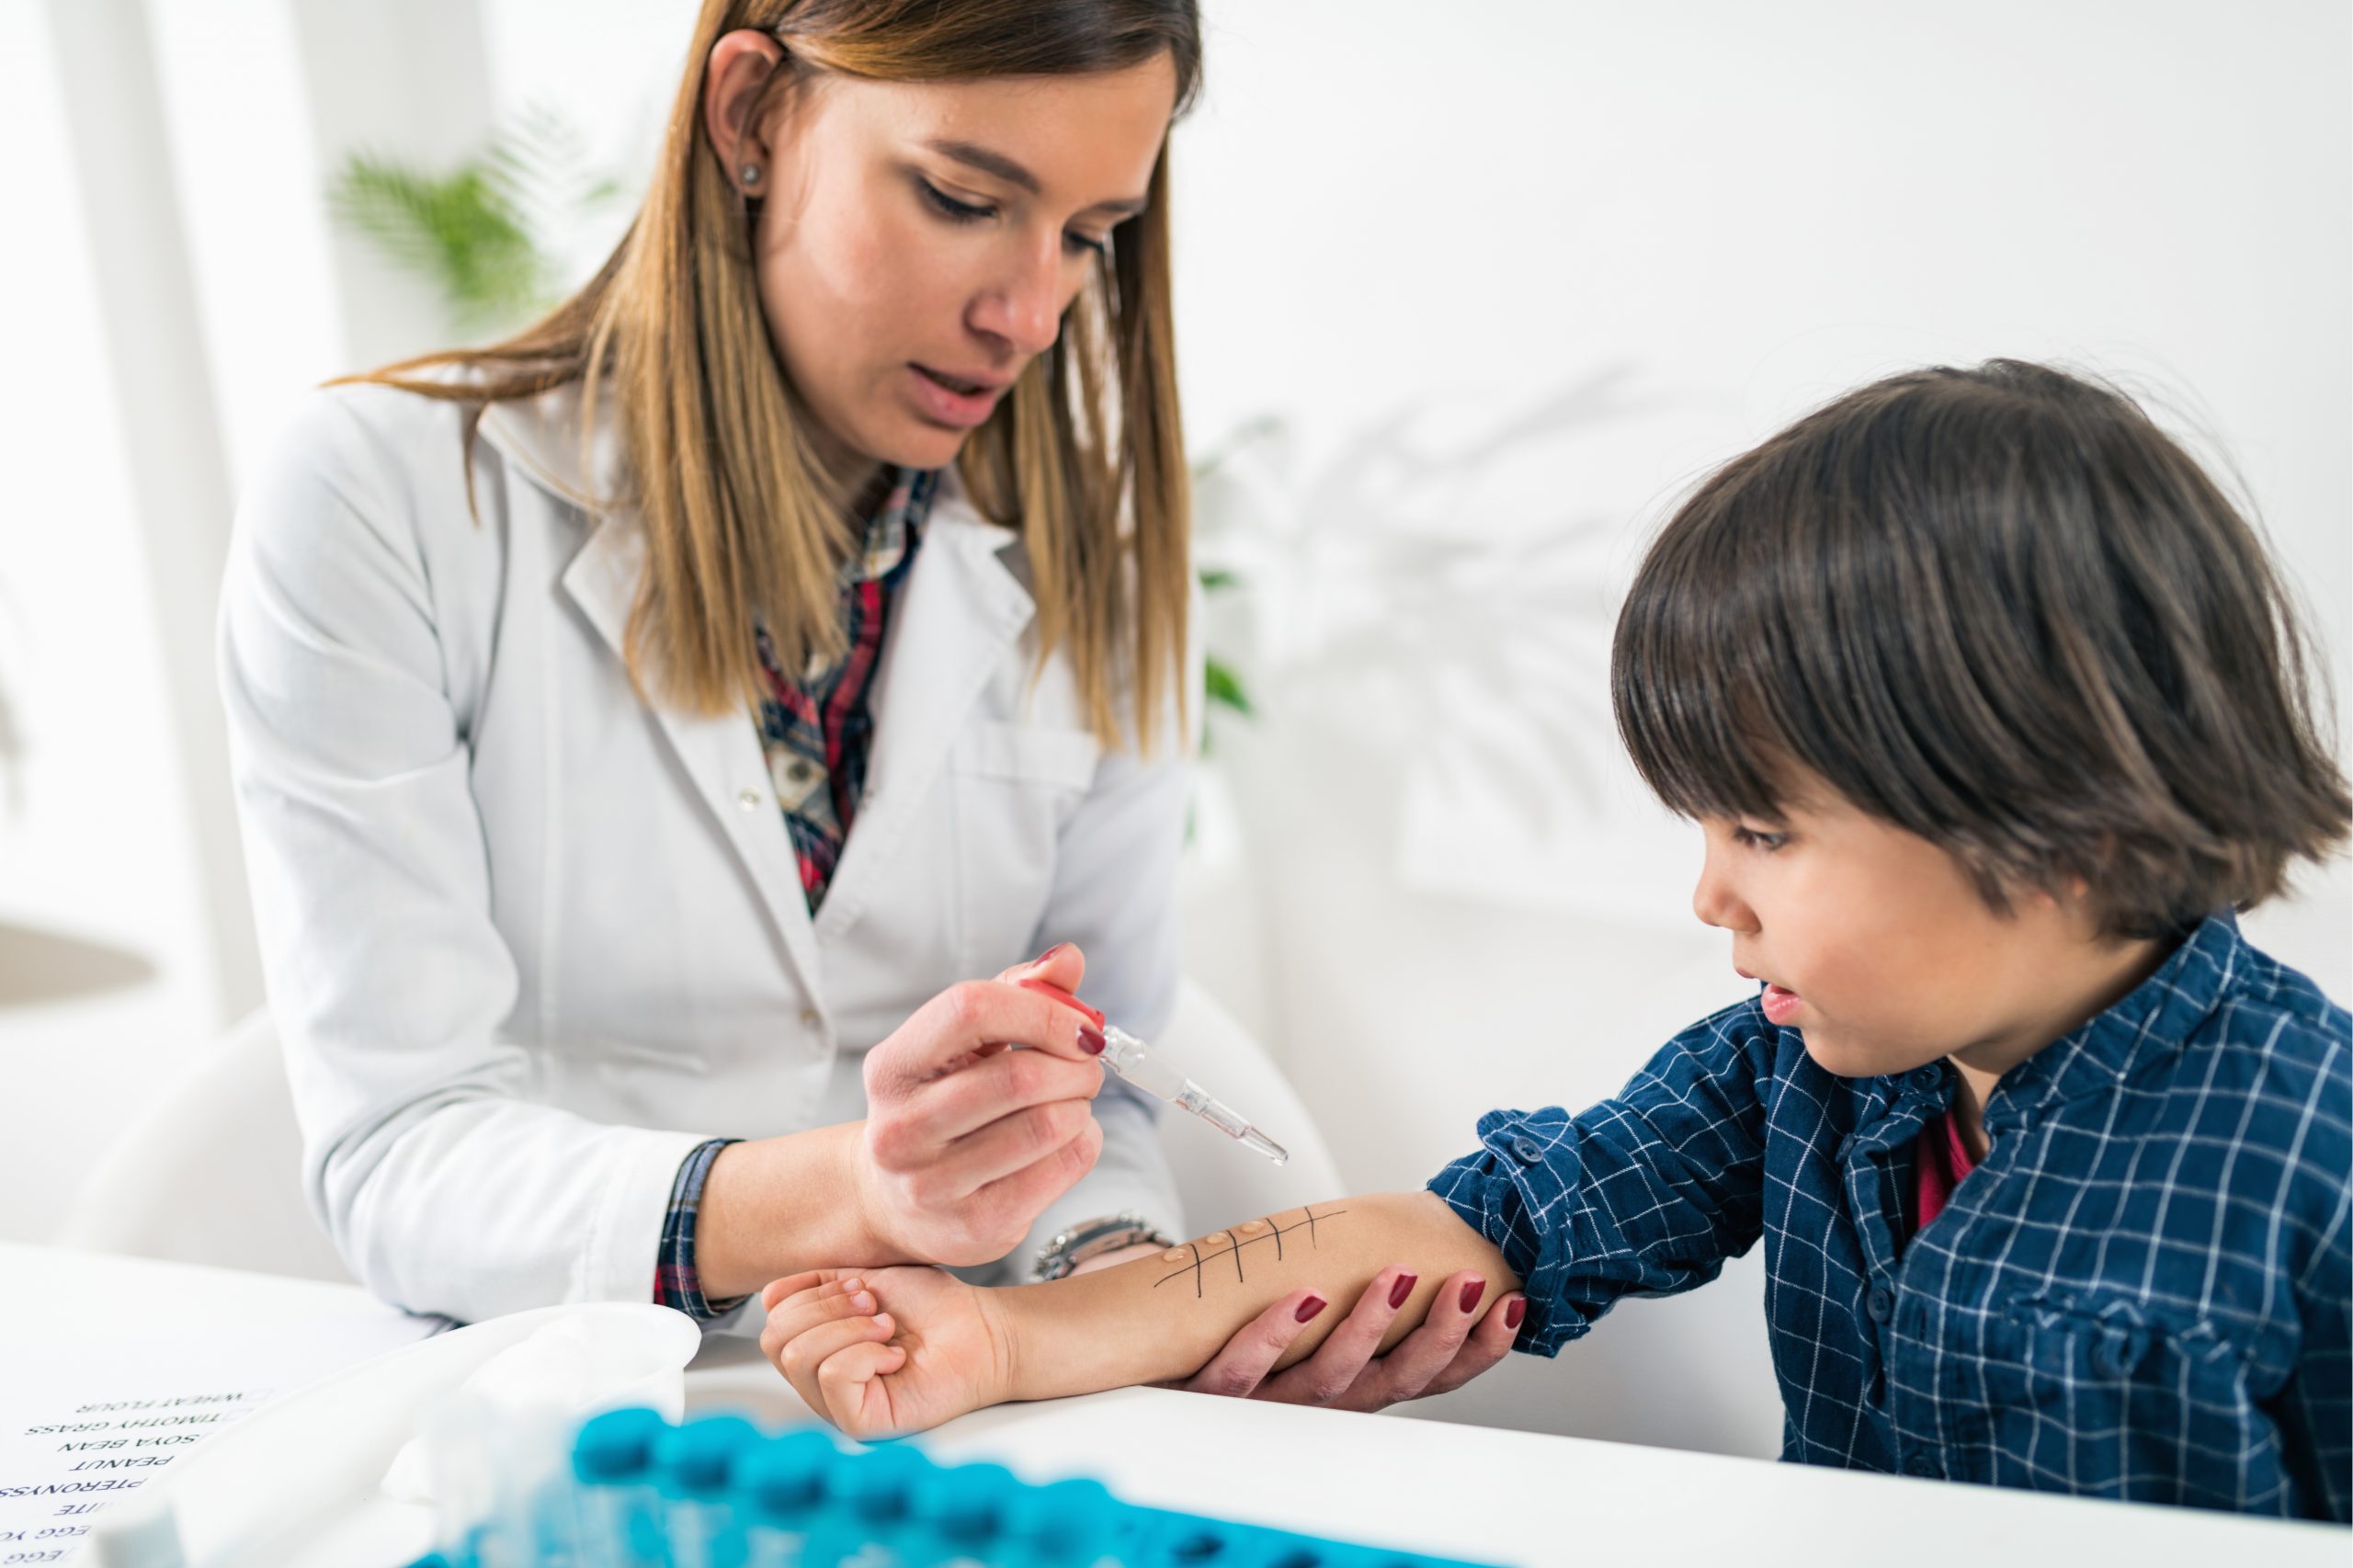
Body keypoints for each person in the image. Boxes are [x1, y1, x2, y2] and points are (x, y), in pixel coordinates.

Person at [761, 360, 2353, 1520]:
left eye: (1765, 832)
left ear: (2063, 827)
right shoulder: (1794, 1073)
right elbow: (1471, 1229)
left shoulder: (2313, 1165)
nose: (1711, 897)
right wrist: (1002, 1333)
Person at [222, 0, 1245, 1337]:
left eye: (1088, 235)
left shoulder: (1104, 565)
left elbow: (1100, 1092)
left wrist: (1106, 1272)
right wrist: (854, 1193)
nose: (1031, 314)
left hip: (965, 1395)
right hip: (570, 1391)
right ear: (751, 111)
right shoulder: (384, 502)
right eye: (960, 198)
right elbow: (402, 1152)